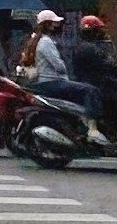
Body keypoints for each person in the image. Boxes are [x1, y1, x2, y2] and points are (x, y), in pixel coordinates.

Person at [21, 10, 111, 147]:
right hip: (52, 82)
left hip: (44, 83)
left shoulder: (36, 40)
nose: (58, 26)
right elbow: (59, 66)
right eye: (55, 23)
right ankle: (93, 130)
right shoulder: (46, 42)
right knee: (90, 90)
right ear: (48, 25)